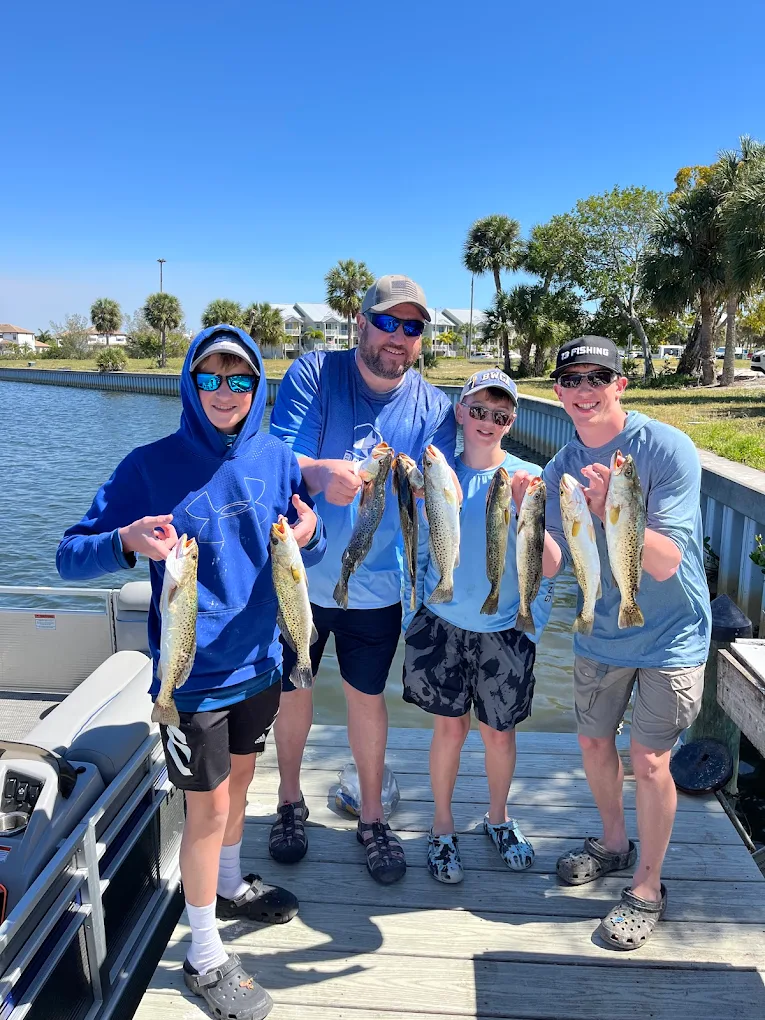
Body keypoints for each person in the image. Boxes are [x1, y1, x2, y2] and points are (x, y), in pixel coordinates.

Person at [57, 326, 326, 1020]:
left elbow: (309, 540)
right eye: (210, 377)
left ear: (257, 386)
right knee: (205, 811)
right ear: (189, 382)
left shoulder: (276, 457)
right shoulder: (149, 466)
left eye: (240, 379)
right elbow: (68, 556)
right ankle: (204, 954)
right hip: (191, 681)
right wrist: (124, 541)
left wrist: (309, 536)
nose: (225, 392)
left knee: (240, 785)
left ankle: (229, 884)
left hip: (262, 664)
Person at [268, 275, 457, 884]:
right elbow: (277, 458)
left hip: (376, 587)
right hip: (298, 574)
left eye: (412, 327)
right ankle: (289, 802)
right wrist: (319, 474)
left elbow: (448, 485)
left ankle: (372, 818)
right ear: (361, 322)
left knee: (367, 697)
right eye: (387, 322)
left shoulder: (434, 407)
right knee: (292, 690)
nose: (398, 337)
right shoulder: (314, 373)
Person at [525, 335, 710, 951]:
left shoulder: (665, 448)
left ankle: (648, 887)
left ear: (620, 385)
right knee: (592, 741)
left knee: (651, 760)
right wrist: (523, 525)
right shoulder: (558, 469)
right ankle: (612, 841)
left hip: (670, 633)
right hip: (601, 628)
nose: (584, 391)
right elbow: (554, 563)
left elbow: (666, 560)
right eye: (571, 379)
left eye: (596, 378)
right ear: (557, 391)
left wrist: (612, 508)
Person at [402, 369, 558, 883]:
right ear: (461, 412)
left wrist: (526, 509)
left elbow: (553, 564)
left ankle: (499, 817)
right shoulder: (437, 472)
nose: (488, 422)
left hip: (506, 628)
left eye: (500, 415)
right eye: (478, 410)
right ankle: (442, 824)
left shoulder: (528, 477)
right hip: (441, 621)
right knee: (448, 729)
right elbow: (414, 547)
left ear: (511, 422)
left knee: (500, 735)